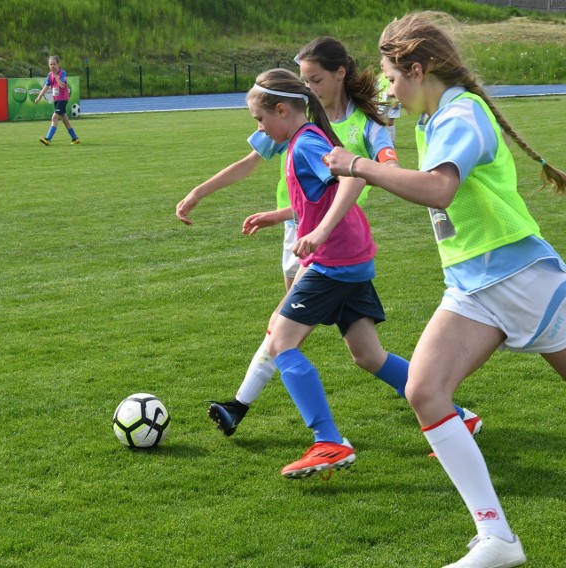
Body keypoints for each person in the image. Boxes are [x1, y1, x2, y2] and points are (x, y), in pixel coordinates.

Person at [326, 11, 566, 567]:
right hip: (470, 287)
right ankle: (497, 539)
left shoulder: (463, 114)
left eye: (391, 74)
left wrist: (358, 164)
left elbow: (438, 190)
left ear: (417, 68)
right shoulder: (430, 119)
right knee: (425, 391)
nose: (388, 86)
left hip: (523, 279)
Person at [206, 36, 481, 441]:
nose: (258, 129)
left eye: (258, 120)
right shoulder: (302, 137)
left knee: (282, 341)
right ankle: (458, 416)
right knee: (368, 354)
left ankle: (327, 441)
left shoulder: (307, 142)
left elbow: (355, 175)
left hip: (333, 259)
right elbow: (324, 193)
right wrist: (287, 218)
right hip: (348, 256)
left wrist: (318, 232)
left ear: (283, 110)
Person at [35, 55, 80, 145]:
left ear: (58, 64)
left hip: (63, 99)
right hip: (56, 99)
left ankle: (48, 139)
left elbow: (62, 85)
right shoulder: (49, 75)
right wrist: (39, 96)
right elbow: (46, 86)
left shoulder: (62, 73)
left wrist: (56, 76)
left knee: (54, 117)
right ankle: (75, 138)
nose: (52, 66)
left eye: (54, 64)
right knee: (65, 120)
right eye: (50, 64)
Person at [377, 72, 401, 144]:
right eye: (381, 65)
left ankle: (392, 141)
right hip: (382, 102)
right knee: (379, 121)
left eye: (383, 65)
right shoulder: (381, 76)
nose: (382, 67)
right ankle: (382, 140)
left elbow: (398, 88)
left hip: (392, 102)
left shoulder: (393, 75)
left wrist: (397, 101)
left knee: (390, 123)